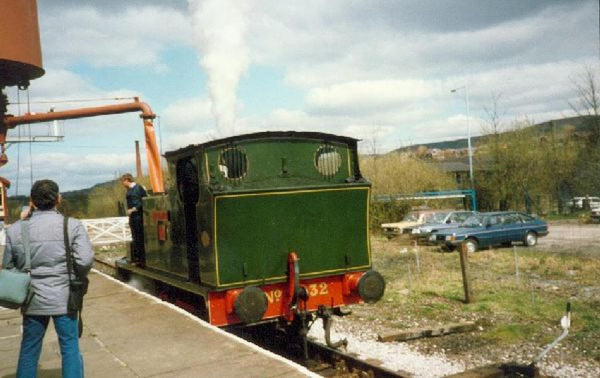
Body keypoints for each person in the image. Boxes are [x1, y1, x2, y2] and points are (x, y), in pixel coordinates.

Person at [2, 179, 94, 378]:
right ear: (58, 199)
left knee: (29, 348)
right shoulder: (72, 225)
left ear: (32, 201)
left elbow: (8, 266)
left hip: (31, 298)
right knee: (69, 346)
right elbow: (85, 261)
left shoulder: (15, 229)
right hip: (65, 297)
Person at [121, 173, 147, 265]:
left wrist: (133, 209)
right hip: (133, 217)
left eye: (123, 181)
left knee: (139, 237)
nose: (122, 184)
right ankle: (138, 258)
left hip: (138, 216)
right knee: (135, 237)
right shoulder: (129, 190)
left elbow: (143, 201)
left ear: (126, 180)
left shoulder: (138, 188)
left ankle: (142, 259)